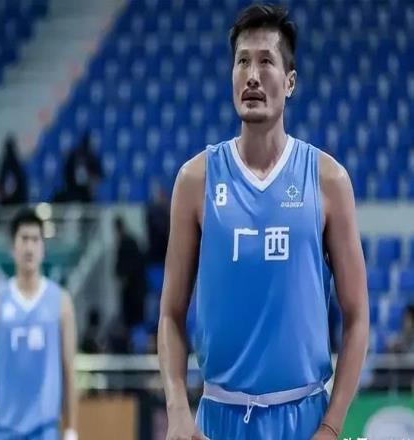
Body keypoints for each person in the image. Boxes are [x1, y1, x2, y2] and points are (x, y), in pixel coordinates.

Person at [158, 4, 369, 440]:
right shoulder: (195, 180)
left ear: (290, 82)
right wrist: (177, 410)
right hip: (217, 417)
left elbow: (358, 315)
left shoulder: (328, 180)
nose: (252, 75)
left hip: (304, 418)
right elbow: (171, 313)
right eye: (242, 62)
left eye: (266, 61)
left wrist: (332, 426)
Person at [0, 208, 78, 440]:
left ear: (43, 248)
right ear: (12, 247)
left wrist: (72, 428)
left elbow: (68, 368)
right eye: (24, 239)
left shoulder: (60, 301)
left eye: (35, 240)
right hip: (3, 429)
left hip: (44, 429)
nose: (29, 247)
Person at [114, 216, 147, 329]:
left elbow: (128, 266)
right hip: (133, 288)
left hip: (134, 288)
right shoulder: (128, 241)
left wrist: (124, 276)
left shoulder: (127, 243)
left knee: (134, 318)